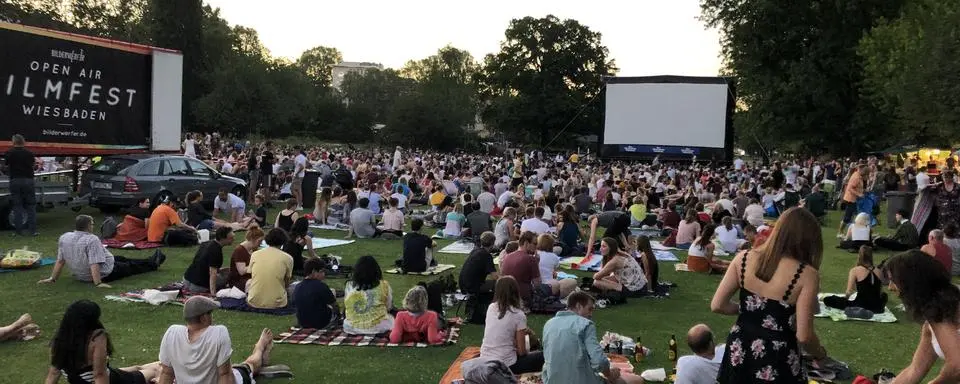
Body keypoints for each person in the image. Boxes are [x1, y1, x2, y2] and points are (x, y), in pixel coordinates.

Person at [711, 207, 827, 383]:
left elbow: (718, 305)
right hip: (778, 356)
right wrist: (820, 353)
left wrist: (751, 312)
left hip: (740, 347)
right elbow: (804, 335)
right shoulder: (807, 275)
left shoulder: (743, 257)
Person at [157, 296, 275, 384]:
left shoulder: (172, 333)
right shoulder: (218, 333)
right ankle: (260, 347)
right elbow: (225, 375)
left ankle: (260, 348)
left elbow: (166, 373)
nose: (212, 317)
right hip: (231, 378)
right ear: (204, 317)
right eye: (210, 313)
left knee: (232, 367)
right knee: (250, 365)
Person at [884, 250, 960, 383]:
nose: (890, 287)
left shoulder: (943, 313)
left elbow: (957, 366)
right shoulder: (931, 323)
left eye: (893, 281)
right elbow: (913, 371)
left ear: (912, 282)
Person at [44, 300, 160, 384]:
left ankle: (164, 362)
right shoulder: (96, 337)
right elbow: (99, 374)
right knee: (155, 371)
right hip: (109, 380)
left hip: (95, 377)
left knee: (138, 367)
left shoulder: (59, 340)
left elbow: (53, 373)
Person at [542, 291, 644, 384]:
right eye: (589, 309)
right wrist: (610, 374)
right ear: (578, 306)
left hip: (552, 380)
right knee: (637, 380)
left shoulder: (549, 324)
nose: (591, 314)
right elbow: (599, 361)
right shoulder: (585, 324)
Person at [39, 215, 165, 288]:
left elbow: (60, 261)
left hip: (82, 273)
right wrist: (98, 283)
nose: (93, 226)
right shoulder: (91, 239)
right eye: (92, 224)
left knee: (121, 258)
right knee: (129, 267)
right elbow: (94, 263)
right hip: (104, 273)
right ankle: (153, 263)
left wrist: (52, 278)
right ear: (88, 226)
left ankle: (151, 259)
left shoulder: (64, 237)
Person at [480, 276, 544, 374]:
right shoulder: (518, 315)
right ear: (516, 291)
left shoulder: (491, 307)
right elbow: (522, 351)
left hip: (484, 360)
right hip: (507, 365)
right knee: (542, 356)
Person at [821, 245, 887, 313]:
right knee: (884, 295)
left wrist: (844, 300)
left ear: (860, 256)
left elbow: (849, 291)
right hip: (878, 307)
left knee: (828, 299)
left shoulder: (855, 270)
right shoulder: (879, 271)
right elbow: (880, 292)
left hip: (860, 305)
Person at [343, 256, 395, 335]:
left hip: (350, 327)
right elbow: (388, 306)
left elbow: (347, 306)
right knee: (393, 318)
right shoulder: (384, 285)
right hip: (378, 326)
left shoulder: (349, 285)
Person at [246, 228, 294, 309]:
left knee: (248, 282)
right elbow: (286, 282)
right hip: (277, 303)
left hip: (254, 302)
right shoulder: (287, 258)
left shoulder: (255, 254)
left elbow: (252, 276)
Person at [183, 227, 235, 294]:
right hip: (198, 286)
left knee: (227, 271)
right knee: (230, 275)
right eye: (231, 238)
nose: (233, 240)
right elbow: (212, 274)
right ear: (222, 238)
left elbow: (201, 263)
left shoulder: (205, 243)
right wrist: (213, 293)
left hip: (186, 279)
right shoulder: (216, 251)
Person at [4, 134, 37, 236]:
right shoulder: (29, 153)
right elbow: (33, 165)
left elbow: (6, 164)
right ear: (23, 142)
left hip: (15, 180)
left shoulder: (9, 153)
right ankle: (33, 231)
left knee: (17, 205)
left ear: (13, 142)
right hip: (28, 180)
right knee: (31, 205)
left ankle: (18, 231)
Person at [294, 257, 339, 329]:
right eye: (322, 271)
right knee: (332, 292)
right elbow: (335, 306)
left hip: (303, 323)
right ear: (314, 271)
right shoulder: (321, 286)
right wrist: (338, 316)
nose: (324, 274)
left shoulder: (297, 286)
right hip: (321, 323)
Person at [228, 226, 263, 290]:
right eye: (259, 241)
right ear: (253, 239)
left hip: (249, 278)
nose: (260, 244)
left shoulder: (253, 250)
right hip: (238, 281)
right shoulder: (239, 250)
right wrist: (257, 264)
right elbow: (242, 271)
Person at [837, 165, 866, 238]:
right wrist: (859, 194)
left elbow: (857, 187)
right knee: (847, 217)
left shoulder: (858, 175)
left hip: (853, 199)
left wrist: (863, 191)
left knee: (855, 216)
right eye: (864, 170)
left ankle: (856, 232)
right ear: (860, 169)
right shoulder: (856, 177)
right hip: (851, 199)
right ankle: (840, 232)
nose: (865, 172)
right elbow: (850, 188)